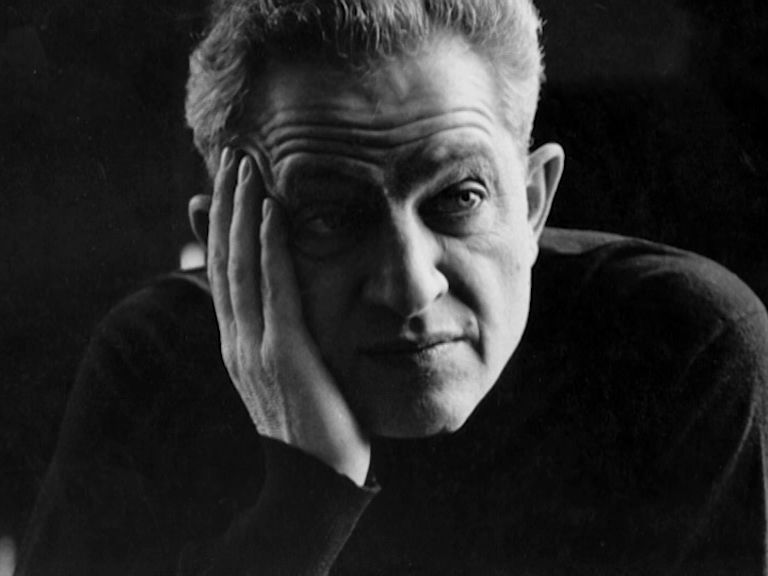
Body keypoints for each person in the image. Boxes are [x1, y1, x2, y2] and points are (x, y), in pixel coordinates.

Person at [18, 0, 768, 574]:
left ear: (534, 203)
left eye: (459, 197)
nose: (410, 287)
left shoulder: (687, 352)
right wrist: (306, 498)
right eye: (329, 216)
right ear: (224, 246)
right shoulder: (151, 364)